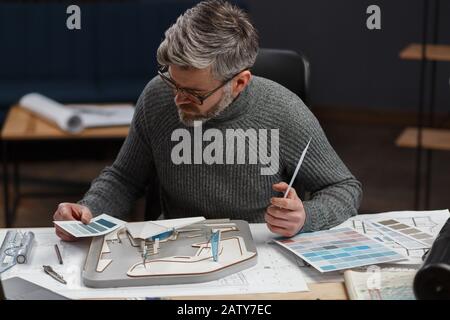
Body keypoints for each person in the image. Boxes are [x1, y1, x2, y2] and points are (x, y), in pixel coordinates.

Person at [54, 0, 362, 241]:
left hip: (261, 246)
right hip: (175, 245)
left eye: (193, 93)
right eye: (173, 83)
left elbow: (344, 188)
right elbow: (124, 177)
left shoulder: (285, 112)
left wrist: (305, 216)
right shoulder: (156, 96)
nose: (177, 99)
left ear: (239, 83)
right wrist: (88, 209)